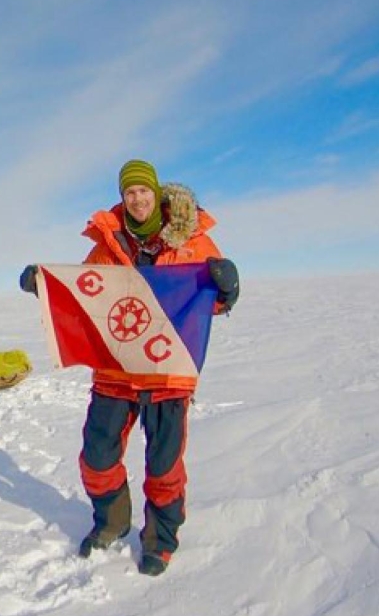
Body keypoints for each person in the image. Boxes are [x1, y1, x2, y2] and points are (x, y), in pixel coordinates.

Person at [19, 159, 239, 576]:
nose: (137, 199)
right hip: (115, 372)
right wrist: (43, 285)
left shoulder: (194, 242)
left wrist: (228, 288)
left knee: (164, 466)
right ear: (122, 197)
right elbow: (84, 295)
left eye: (143, 190)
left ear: (156, 194)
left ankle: (160, 541)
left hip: (167, 373)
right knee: (96, 459)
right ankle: (112, 522)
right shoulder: (106, 246)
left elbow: (207, 303)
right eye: (129, 192)